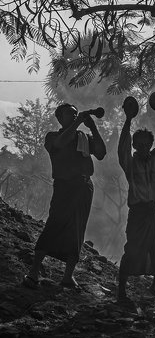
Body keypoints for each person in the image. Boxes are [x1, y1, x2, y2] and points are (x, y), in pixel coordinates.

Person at [23, 103, 107, 290]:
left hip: (84, 186)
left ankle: (68, 276)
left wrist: (92, 126)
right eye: (70, 113)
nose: (75, 115)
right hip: (65, 186)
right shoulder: (53, 137)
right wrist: (78, 122)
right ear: (60, 118)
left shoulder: (83, 137)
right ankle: (34, 271)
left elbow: (101, 153)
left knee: (77, 229)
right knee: (55, 223)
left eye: (76, 113)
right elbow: (61, 144)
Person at [116, 93, 155, 303]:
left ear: (150, 144)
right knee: (131, 251)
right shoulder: (129, 163)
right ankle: (121, 290)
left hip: (153, 212)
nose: (142, 146)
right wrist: (128, 119)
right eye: (138, 143)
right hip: (138, 213)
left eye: (145, 143)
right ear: (134, 145)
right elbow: (122, 147)